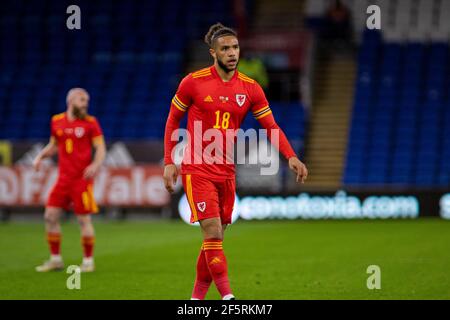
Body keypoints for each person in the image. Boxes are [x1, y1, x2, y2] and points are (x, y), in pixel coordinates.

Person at [163, 23, 308, 300]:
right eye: (225, 49)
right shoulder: (193, 82)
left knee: (212, 242)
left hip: (227, 171)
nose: (232, 53)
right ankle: (229, 298)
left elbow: (271, 126)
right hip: (197, 168)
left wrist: (290, 156)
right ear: (213, 53)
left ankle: (195, 301)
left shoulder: (250, 88)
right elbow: (172, 120)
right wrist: (170, 160)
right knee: (213, 233)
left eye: (235, 47)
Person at [33, 88, 106, 272]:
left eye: (87, 100)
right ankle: (56, 259)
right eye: (82, 100)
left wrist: (96, 165)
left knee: (83, 220)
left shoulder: (91, 123)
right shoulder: (56, 121)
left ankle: (88, 262)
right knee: (50, 216)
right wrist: (39, 157)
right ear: (71, 100)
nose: (85, 103)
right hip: (63, 180)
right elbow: (53, 145)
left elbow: (101, 147)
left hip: (82, 180)